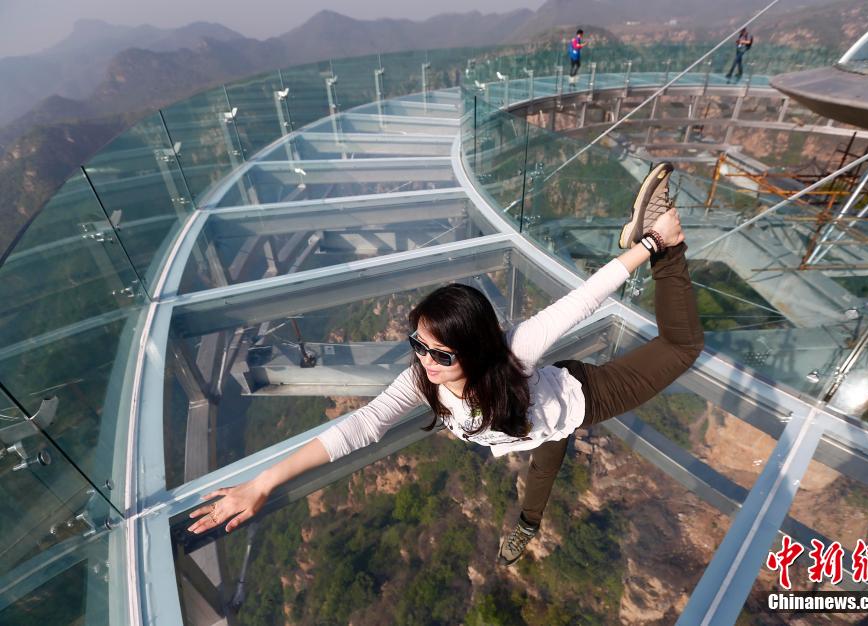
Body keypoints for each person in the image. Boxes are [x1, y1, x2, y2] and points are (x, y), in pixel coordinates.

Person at [187, 162, 704, 567]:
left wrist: (652, 245)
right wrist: (261, 483)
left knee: (682, 349)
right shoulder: (423, 379)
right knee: (543, 464)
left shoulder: (516, 350)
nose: (425, 362)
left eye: (441, 353)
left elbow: (583, 300)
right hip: (528, 420)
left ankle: (670, 241)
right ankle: (527, 524)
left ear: (476, 350)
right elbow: (361, 427)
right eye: (418, 344)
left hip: (579, 398)